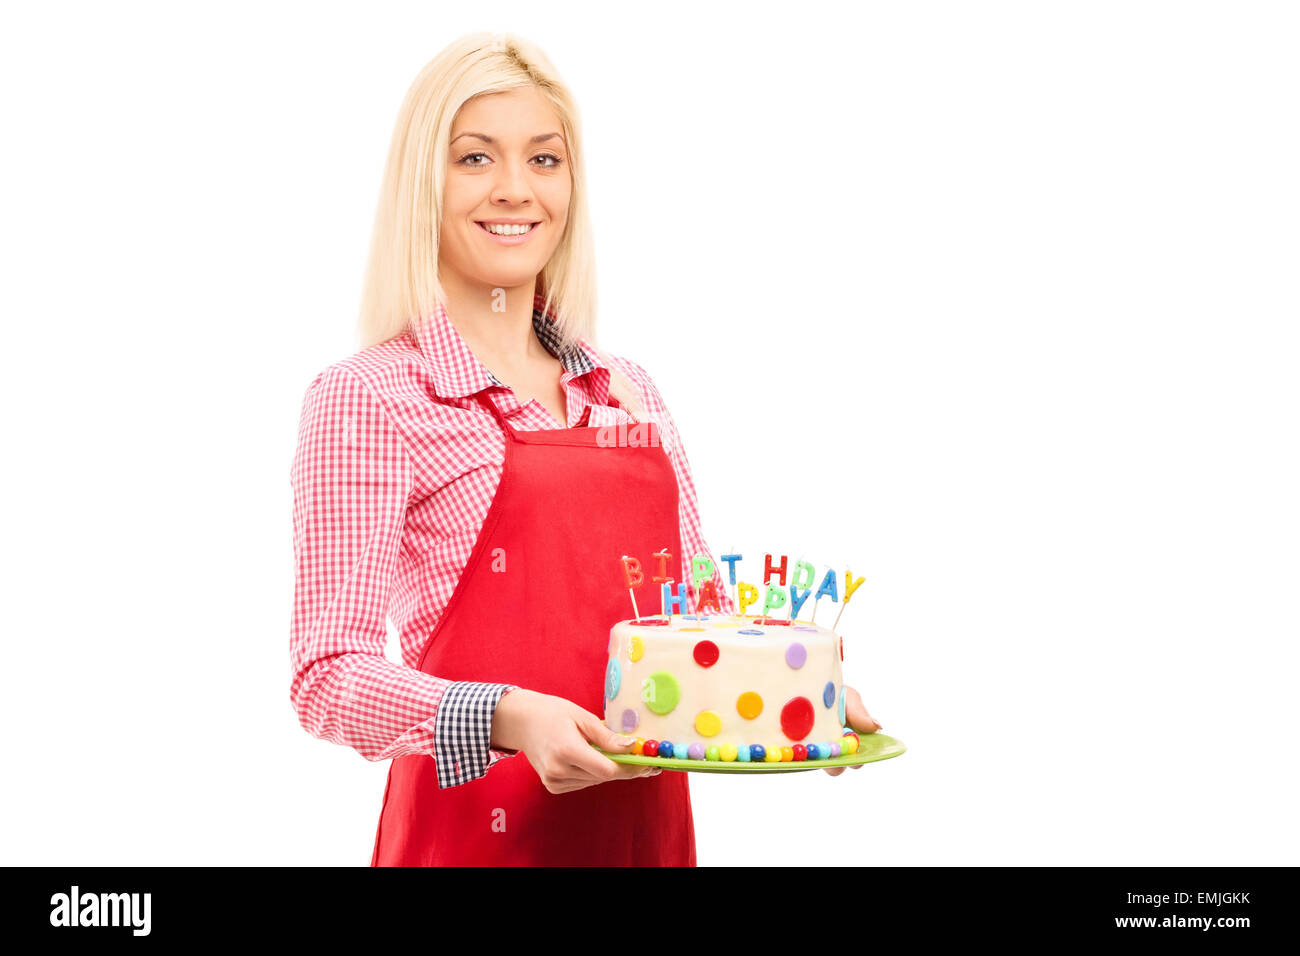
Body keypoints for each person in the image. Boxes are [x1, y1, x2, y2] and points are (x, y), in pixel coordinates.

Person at [289, 31, 882, 867]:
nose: (514, 190)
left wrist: (793, 699)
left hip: (642, 840)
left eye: (544, 159)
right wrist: (508, 717)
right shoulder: (372, 397)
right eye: (474, 158)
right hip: (471, 843)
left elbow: (700, 615)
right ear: (423, 182)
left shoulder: (626, 389)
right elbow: (326, 675)